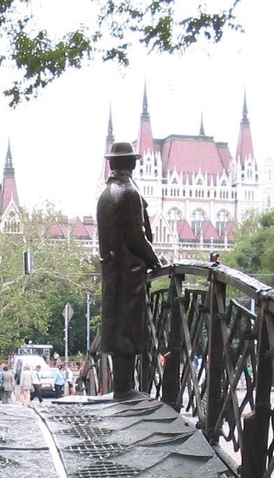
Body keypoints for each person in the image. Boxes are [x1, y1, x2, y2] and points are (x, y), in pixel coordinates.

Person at [97, 142, 161, 400]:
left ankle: (122, 386)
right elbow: (136, 236)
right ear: (132, 163)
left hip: (113, 271)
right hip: (130, 271)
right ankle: (124, 388)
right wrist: (154, 259)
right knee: (129, 327)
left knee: (118, 325)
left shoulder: (106, 193)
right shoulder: (129, 193)